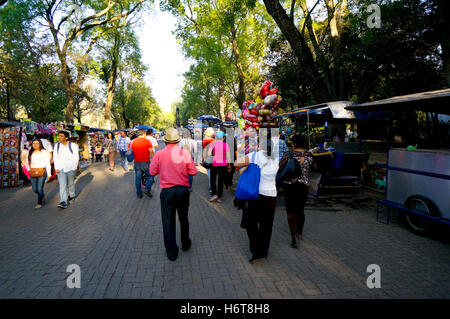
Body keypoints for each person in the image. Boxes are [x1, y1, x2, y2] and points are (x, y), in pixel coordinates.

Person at [150, 128, 198, 261]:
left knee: (168, 221)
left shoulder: (159, 154)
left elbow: (152, 172)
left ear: (165, 141)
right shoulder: (184, 153)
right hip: (182, 191)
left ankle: (171, 252)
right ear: (177, 141)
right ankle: (185, 243)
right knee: (183, 218)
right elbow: (193, 172)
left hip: (167, 192)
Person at [234, 135, 279, 263]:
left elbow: (237, 163)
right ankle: (263, 252)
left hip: (255, 196)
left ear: (260, 145)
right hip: (271, 196)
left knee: (251, 224)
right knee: (267, 226)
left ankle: (255, 251)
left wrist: (247, 166)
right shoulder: (276, 159)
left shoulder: (254, 156)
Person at [279, 134, 313, 248]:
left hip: (290, 186)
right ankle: (300, 233)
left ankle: (293, 237)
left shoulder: (289, 154)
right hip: (303, 186)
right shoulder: (309, 155)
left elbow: (280, 167)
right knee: (300, 210)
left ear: (294, 143)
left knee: (291, 211)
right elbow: (313, 168)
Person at [53, 130, 79, 209]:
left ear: (66, 138)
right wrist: (56, 168)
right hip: (61, 168)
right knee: (62, 185)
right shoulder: (56, 146)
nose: (59, 137)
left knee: (71, 184)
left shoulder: (73, 145)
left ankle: (71, 195)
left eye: (61, 136)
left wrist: (74, 167)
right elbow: (55, 157)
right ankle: (63, 201)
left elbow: (76, 157)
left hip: (70, 168)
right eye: (59, 136)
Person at [206, 131, 232, 203]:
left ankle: (214, 194)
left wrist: (213, 156)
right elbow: (228, 156)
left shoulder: (213, 144)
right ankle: (220, 197)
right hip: (223, 165)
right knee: (220, 181)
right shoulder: (226, 145)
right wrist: (229, 165)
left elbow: (208, 154)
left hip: (214, 165)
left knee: (213, 180)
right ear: (223, 138)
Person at [26, 139, 51, 209]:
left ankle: (39, 203)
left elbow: (47, 163)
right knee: (34, 189)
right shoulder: (30, 152)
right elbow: (26, 162)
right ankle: (42, 195)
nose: (35, 145)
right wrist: (29, 170)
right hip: (33, 172)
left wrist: (49, 174)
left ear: (40, 144)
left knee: (40, 188)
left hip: (42, 171)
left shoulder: (44, 152)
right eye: (33, 143)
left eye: (37, 143)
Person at [130, 129, 154, 198]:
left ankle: (139, 193)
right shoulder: (147, 141)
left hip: (137, 163)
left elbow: (131, 151)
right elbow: (151, 151)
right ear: (144, 133)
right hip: (145, 163)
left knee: (138, 178)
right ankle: (147, 188)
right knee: (151, 176)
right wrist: (154, 159)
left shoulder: (133, 141)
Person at [202, 128, 215, 194]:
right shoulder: (216, 141)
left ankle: (211, 187)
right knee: (213, 174)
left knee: (210, 174)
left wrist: (202, 159)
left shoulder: (205, 141)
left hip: (208, 159)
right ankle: (212, 187)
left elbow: (203, 151)